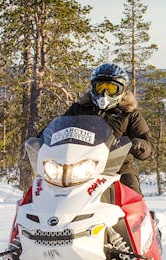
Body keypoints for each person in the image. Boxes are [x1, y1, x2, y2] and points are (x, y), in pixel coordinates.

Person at [62, 63, 154, 195]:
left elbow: (149, 145)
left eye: (111, 88)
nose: (104, 93)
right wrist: (40, 140)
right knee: (47, 187)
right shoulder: (79, 109)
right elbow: (58, 127)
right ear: (93, 87)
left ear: (122, 90)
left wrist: (137, 144)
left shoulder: (130, 114)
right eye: (101, 87)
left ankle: (138, 216)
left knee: (131, 195)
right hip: (80, 165)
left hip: (118, 166)